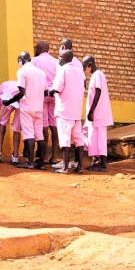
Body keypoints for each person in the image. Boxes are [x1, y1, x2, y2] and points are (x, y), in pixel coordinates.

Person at [6, 48, 47, 169]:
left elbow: (21, 92)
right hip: (39, 107)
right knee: (39, 134)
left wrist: (9, 101)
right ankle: (42, 163)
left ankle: (30, 162)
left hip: (26, 107)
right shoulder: (41, 73)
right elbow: (45, 92)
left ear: (21, 60)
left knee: (29, 134)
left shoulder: (22, 71)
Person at [49, 44, 86, 175]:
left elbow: (57, 88)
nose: (59, 59)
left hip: (64, 110)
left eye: (61, 57)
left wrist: (50, 91)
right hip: (76, 111)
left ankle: (64, 167)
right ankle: (80, 166)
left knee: (65, 139)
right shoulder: (80, 72)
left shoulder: (64, 70)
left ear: (67, 58)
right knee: (78, 139)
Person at [0, 55, 26, 163]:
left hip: (8, 95)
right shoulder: (8, 83)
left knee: (3, 122)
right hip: (22, 96)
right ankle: (15, 156)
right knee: (16, 127)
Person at [31, 41, 60, 164]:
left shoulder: (34, 61)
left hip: (41, 95)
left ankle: (45, 156)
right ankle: (54, 156)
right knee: (54, 125)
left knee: (44, 124)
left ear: (38, 49)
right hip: (54, 95)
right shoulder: (56, 62)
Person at [83, 56, 113, 172]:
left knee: (100, 138)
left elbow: (98, 93)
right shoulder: (94, 76)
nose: (83, 68)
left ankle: (103, 164)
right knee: (93, 137)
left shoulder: (98, 75)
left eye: (84, 66)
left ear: (90, 64)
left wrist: (91, 111)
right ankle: (96, 161)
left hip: (99, 113)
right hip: (96, 114)